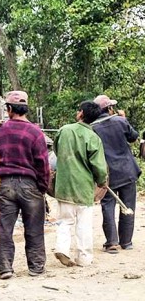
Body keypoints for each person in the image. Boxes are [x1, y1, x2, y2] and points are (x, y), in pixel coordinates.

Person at [0, 91, 49, 279]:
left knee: (5, 228)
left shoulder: (1, 130)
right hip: (29, 184)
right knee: (34, 227)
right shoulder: (35, 132)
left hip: (7, 184)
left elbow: (1, 152)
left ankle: (5, 268)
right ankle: (36, 266)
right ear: (26, 109)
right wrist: (42, 187)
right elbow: (42, 163)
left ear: (9, 109)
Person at [52, 101, 108, 267]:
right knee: (84, 223)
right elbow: (99, 166)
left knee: (64, 220)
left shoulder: (64, 130)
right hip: (83, 186)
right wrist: (102, 181)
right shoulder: (93, 138)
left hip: (64, 185)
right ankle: (84, 258)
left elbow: (56, 151)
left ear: (81, 113)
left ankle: (62, 247)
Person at [91, 94, 141, 253]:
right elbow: (133, 137)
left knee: (107, 206)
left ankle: (112, 242)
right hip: (127, 171)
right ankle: (126, 242)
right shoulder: (120, 121)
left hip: (106, 174)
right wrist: (123, 118)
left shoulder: (92, 128)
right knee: (128, 206)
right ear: (109, 108)